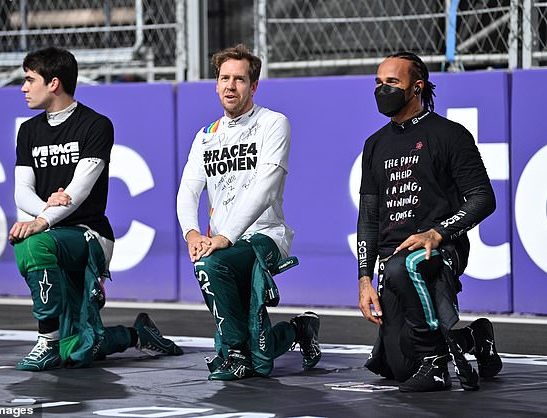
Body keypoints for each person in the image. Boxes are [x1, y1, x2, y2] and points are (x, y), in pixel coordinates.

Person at [9, 47, 182, 371]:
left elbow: (79, 190)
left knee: (31, 242)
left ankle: (46, 341)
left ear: (54, 83)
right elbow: (21, 192)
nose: (23, 87)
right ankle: (136, 335)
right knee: (75, 349)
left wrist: (42, 221)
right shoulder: (28, 131)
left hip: (89, 236)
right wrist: (45, 211)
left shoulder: (96, 125)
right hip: (52, 232)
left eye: (30, 79)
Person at [357, 51, 502, 392]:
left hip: (441, 248)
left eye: (392, 82)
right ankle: (474, 339)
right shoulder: (374, 144)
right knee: (396, 366)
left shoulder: (450, 134)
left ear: (416, 87)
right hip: (393, 258)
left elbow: (483, 198)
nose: (382, 89)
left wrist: (437, 233)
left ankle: (435, 363)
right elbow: (369, 217)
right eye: (378, 83)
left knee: (402, 269)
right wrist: (364, 278)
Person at [176, 44, 321, 381]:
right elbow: (188, 190)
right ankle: (300, 330)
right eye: (224, 78)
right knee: (261, 351)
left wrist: (226, 236)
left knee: (210, 263)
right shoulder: (206, 136)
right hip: (222, 245)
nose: (230, 85)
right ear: (215, 84)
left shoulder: (273, 123)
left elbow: (266, 188)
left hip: (265, 236)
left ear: (253, 86)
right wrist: (192, 233)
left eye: (239, 79)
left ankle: (236, 354)